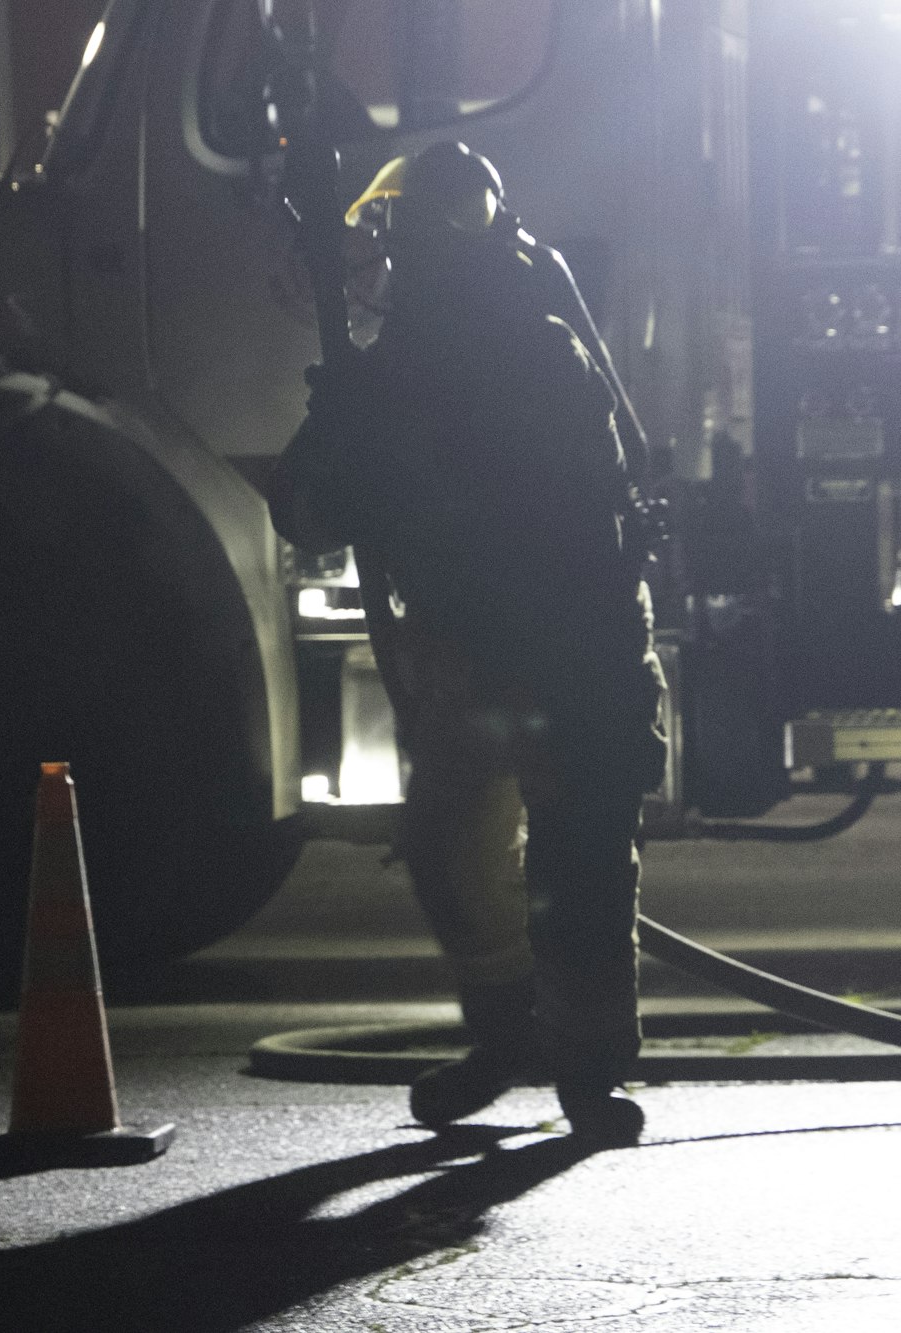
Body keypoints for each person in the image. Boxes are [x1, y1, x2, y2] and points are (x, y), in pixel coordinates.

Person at [270, 142, 666, 1143]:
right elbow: (310, 514)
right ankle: (512, 1037)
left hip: (563, 655)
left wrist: (358, 429)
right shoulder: (405, 369)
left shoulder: (527, 356)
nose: (394, 273)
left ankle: (580, 1065)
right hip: (478, 661)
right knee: (457, 851)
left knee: (574, 866)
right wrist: (341, 426)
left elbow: (536, 511)